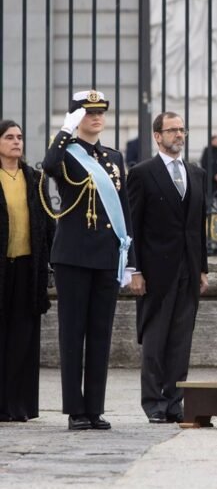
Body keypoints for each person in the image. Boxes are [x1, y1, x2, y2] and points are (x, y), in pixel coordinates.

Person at [41, 90, 135, 431]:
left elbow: (123, 209)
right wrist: (64, 132)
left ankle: (94, 408)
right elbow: (49, 166)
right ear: (76, 117)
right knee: (72, 333)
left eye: (99, 113)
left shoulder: (113, 157)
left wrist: (131, 260)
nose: (95, 118)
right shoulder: (65, 153)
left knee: (100, 334)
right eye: (88, 113)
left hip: (107, 255)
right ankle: (75, 409)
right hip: (73, 256)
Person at [127, 111, 209, 424]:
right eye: (172, 130)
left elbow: (197, 227)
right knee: (155, 339)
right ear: (157, 136)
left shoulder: (196, 173)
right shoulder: (142, 173)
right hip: (155, 271)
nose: (179, 135)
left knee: (180, 339)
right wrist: (134, 269)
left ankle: (175, 401)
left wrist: (202, 268)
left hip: (188, 270)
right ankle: (153, 402)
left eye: (182, 130)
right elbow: (133, 224)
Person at [0, 120, 54, 422]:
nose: (16, 142)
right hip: (1, 269)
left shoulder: (33, 178)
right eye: (9, 137)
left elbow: (47, 222)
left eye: (19, 137)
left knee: (23, 336)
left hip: (26, 266)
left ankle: (20, 406)